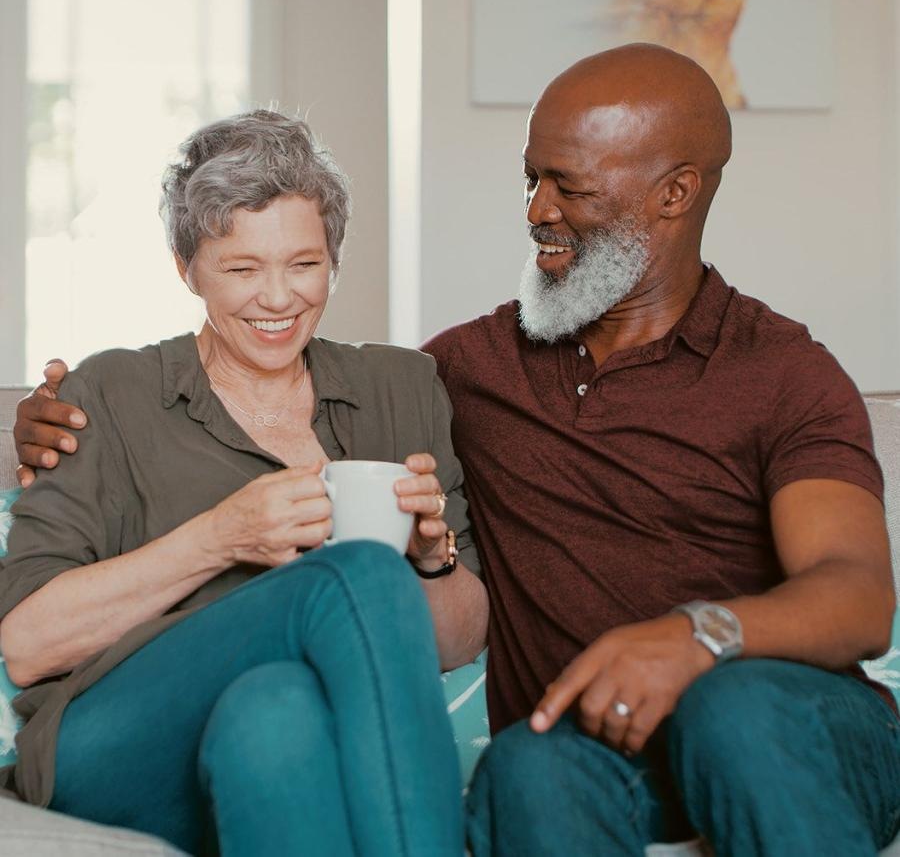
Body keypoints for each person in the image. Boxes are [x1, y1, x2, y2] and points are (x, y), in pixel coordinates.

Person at [16, 44, 900, 856]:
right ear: (189, 267)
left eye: (568, 186)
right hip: (571, 740)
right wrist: (46, 422)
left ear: (675, 192)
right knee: (511, 753)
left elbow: (859, 594)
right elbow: (27, 636)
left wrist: (695, 637)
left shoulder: (778, 370)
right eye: (530, 180)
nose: (536, 211)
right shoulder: (468, 370)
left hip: (761, 711)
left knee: (726, 712)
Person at [2, 110, 488, 857]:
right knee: (354, 572)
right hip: (113, 743)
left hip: (277, 729)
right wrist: (221, 536)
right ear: (186, 266)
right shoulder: (110, 392)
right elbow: (29, 645)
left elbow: (460, 639)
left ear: (334, 259)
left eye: (304, 264)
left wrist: (430, 558)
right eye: (241, 269)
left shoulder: (402, 388)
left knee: (274, 714)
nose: (277, 298)